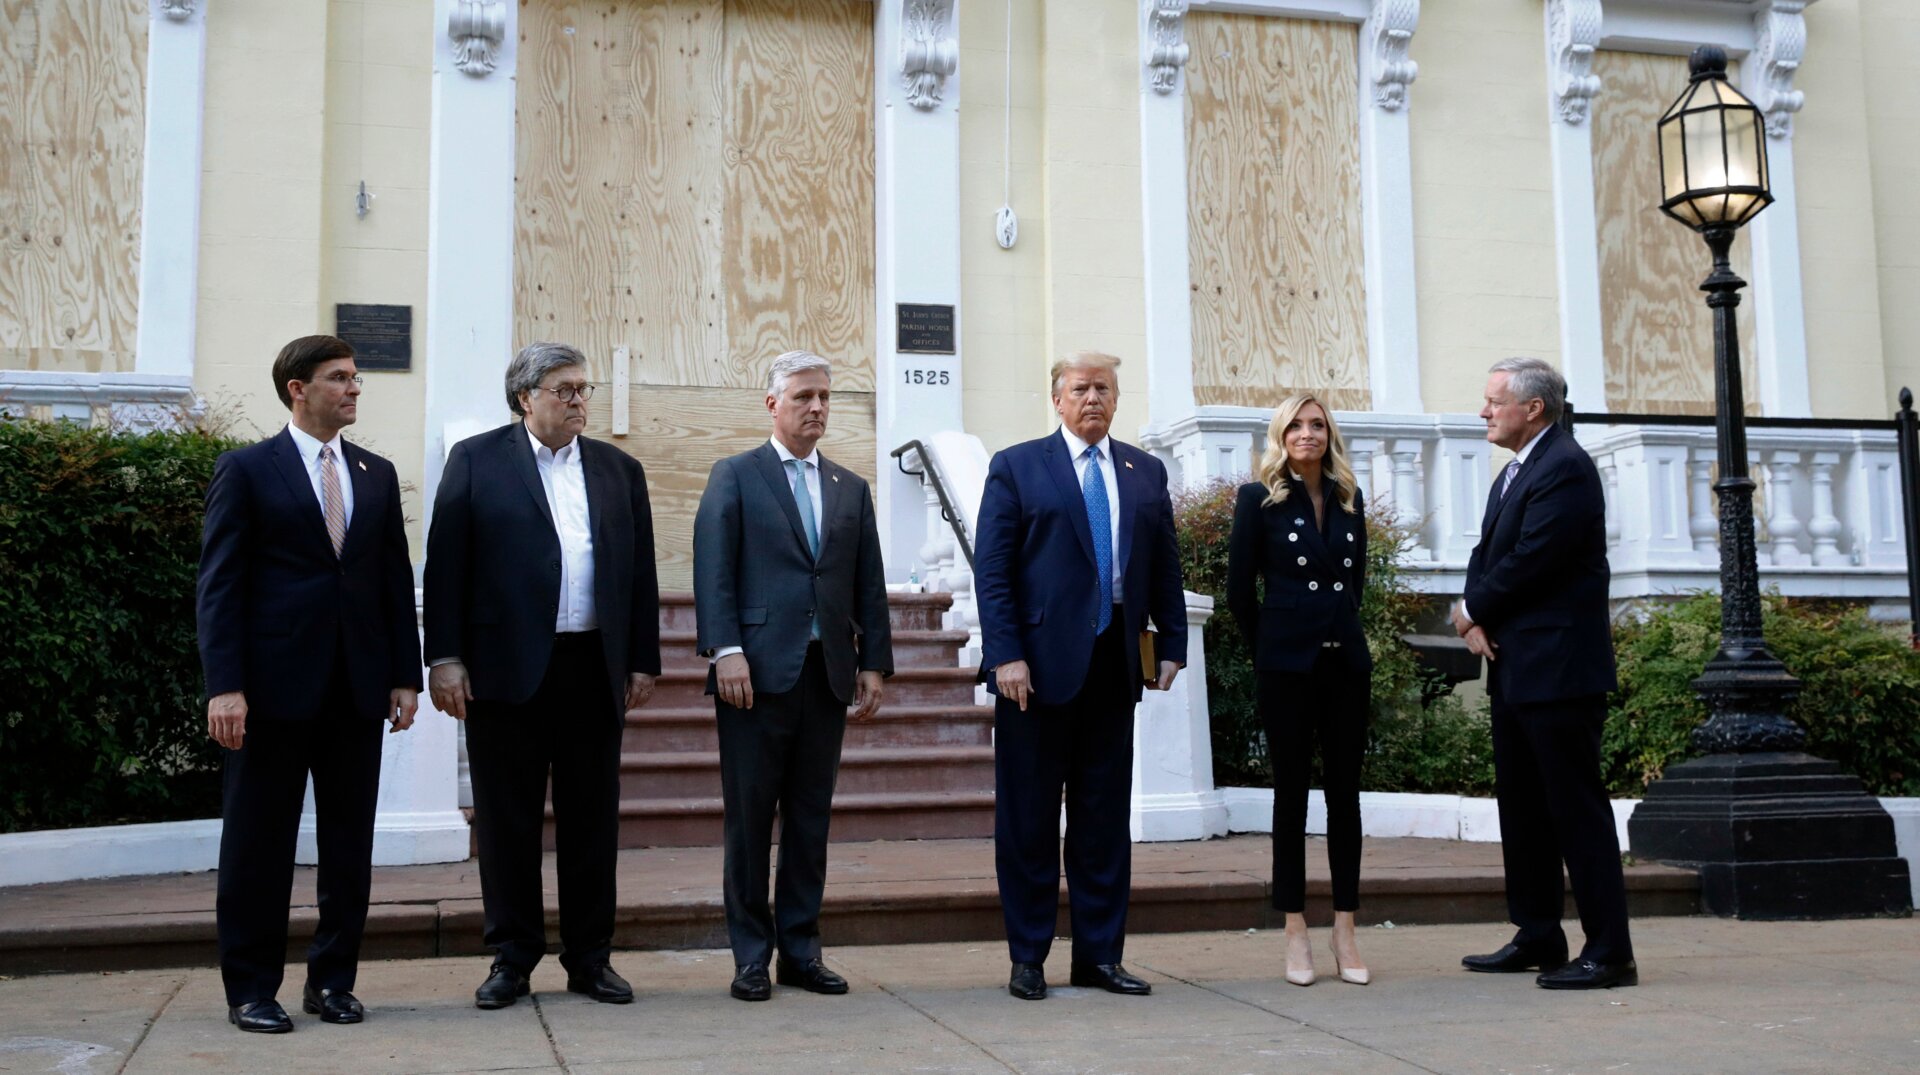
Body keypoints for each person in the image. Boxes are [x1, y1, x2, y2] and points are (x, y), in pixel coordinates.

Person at [423, 341, 661, 1009]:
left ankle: (590, 957)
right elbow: (446, 564)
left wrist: (642, 658)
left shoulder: (619, 469)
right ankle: (512, 956)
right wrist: (444, 656)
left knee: (592, 820)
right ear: (525, 397)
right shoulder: (477, 460)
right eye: (565, 389)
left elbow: (639, 571)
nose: (580, 400)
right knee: (508, 821)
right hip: (504, 669)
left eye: (584, 388)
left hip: (592, 665)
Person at [197, 335, 422, 1033]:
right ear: (297, 388)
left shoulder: (375, 472)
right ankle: (250, 989)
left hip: (356, 689)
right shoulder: (246, 469)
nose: (353, 389)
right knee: (257, 844)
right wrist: (225, 685)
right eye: (338, 378)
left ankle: (333, 981)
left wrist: (404, 676)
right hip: (269, 692)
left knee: (349, 845)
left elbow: (392, 580)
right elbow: (220, 585)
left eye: (355, 378)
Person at [973, 350, 1188, 1001]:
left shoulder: (1145, 471)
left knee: (1102, 820)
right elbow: (993, 570)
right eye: (1080, 388)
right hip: (1034, 672)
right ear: (1057, 399)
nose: (1092, 398)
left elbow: (1165, 564)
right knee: (1030, 820)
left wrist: (1172, 642)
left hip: (1114, 664)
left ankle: (1099, 956)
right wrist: (1005, 654)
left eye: (1104, 388)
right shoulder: (1017, 466)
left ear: (1117, 399)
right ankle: (1028, 957)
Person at [692, 349, 893, 1002]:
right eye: (804, 396)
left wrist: (873, 662)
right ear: (772, 403)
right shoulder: (735, 475)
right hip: (753, 675)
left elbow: (868, 582)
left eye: (824, 397)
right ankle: (752, 956)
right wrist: (724, 649)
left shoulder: (849, 487)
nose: (816, 407)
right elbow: (713, 567)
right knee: (751, 823)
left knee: (810, 820)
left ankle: (802, 952)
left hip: (825, 674)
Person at [1452, 356, 1636, 990]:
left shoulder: (1565, 466)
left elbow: (1536, 559)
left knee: (1575, 812)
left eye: (1494, 401)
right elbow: (1487, 553)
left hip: (1560, 671)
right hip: (1515, 665)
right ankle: (1538, 934)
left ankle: (1609, 952)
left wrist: (1473, 608)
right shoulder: (1516, 470)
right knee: (1524, 809)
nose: (1483, 411)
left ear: (1533, 408)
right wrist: (1473, 617)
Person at [1226, 393, 1373, 988]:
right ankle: (1294, 929)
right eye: (1296, 426)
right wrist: (1273, 645)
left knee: (1345, 796)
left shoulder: (1349, 498)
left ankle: (1345, 928)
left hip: (1345, 663)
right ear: (1280, 435)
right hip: (1286, 666)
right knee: (1291, 797)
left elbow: (1355, 585)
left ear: (1328, 435)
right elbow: (1240, 590)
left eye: (1317, 425)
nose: (1307, 434)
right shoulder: (1258, 499)